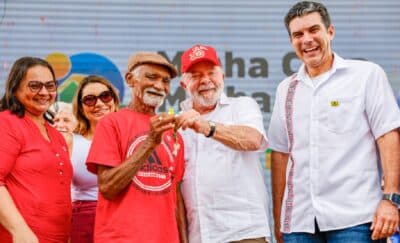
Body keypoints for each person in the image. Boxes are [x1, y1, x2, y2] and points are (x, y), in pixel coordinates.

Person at [268, 1, 400, 243]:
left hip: (357, 220)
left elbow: (388, 135)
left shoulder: (366, 75)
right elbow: (280, 154)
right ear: (291, 42)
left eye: (313, 30)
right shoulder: (286, 89)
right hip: (300, 224)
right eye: (298, 34)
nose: (306, 39)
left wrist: (391, 200)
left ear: (330, 32)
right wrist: (279, 218)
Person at [85, 52, 187, 243]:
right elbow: (107, 186)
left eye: (165, 81)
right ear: (130, 80)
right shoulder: (111, 123)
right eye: (151, 77)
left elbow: (176, 198)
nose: (159, 85)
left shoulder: (174, 133)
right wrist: (150, 143)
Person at [176, 44, 271, 243]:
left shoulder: (242, 106)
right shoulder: (177, 124)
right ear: (184, 84)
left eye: (211, 72)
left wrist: (206, 127)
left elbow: (253, 139)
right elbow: (175, 189)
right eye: (195, 75)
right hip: (199, 236)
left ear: (222, 76)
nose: (205, 80)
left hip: (244, 233)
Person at [0, 57, 72, 242]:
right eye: (34, 86)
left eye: (50, 85)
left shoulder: (56, 134)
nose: (44, 92)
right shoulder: (6, 123)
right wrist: (19, 231)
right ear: (15, 88)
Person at [70, 75, 120, 243]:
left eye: (105, 96)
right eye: (89, 99)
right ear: (81, 107)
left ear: (114, 99)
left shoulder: (130, 137)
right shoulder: (71, 141)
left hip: (122, 217)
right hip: (83, 222)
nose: (99, 104)